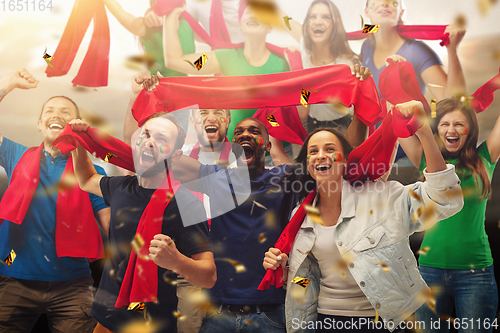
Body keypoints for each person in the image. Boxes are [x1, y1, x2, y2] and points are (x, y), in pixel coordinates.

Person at [263, 100, 464, 332]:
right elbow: (307, 282)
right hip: (328, 322)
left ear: (345, 160)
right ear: (308, 163)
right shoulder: (300, 218)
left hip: (391, 322)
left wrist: (425, 133)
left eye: (330, 149)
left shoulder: (381, 197)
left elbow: (446, 200)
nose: (320, 156)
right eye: (313, 151)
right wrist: (288, 270)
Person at [69, 113, 216, 333]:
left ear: (175, 155)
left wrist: (177, 261)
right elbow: (86, 179)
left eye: (161, 139)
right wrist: (78, 141)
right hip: (108, 312)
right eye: (146, 134)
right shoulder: (120, 187)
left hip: (151, 320)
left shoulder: (186, 204)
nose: (149, 141)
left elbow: (209, 276)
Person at [0, 69, 110, 332]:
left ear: (77, 124)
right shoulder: (15, 154)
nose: (56, 115)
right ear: (40, 124)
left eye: (65, 112)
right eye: (49, 111)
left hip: (73, 285)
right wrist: (8, 85)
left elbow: (111, 224)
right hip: (14, 278)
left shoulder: (93, 172)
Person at [171, 117, 299, 332]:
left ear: (268, 145)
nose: (245, 134)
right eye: (239, 132)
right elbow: (156, 158)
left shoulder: (286, 177)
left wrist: (359, 100)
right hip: (218, 312)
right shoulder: (216, 177)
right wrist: (153, 106)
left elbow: (345, 166)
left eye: (254, 131)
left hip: (270, 312)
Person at [399, 98, 500, 332]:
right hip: (428, 272)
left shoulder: (485, 158)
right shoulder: (427, 160)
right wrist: (407, 101)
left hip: (476, 275)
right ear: (436, 129)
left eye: (459, 124)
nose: (451, 130)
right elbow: (396, 119)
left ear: (470, 130)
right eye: (444, 124)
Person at [283, 0, 368, 148]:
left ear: (335, 25)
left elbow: (361, 110)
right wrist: (295, 71)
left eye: (326, 17)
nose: (318, 22)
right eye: (312, 17)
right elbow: (303, 110)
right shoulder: (304, 52)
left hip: (341, 128)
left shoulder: (347, 64)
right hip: (312, 125)